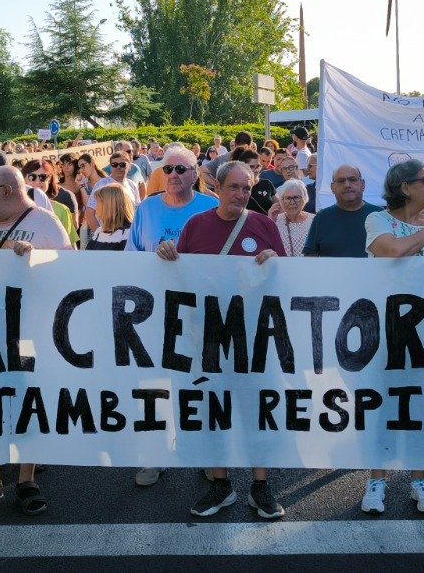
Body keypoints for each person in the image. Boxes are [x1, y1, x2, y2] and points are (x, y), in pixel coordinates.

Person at [157, 161, 286, 520]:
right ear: (218, 188)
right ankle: (221, 483)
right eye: (234, 188)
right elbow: (180, 276)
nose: (241, 195)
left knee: (255, 407)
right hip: (207, 336)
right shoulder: (196, 226)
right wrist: (166, 256)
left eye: (247, 189)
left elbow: (286, 279)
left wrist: (275, 260)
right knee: (215, 407)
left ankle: (260, 485)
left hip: (254, 335)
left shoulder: (263, 225)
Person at [0, 166, 71, 516]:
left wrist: (38, 260)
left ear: (5, 190)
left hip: (30, 329)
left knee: (27, 400)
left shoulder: (46, 222)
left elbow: (71, 273)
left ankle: (26, 477)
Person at [358, 159, 424, 514]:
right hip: (386, 330)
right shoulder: (378, 221)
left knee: (423, 405)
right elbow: (391, 252)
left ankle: (420, 480)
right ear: (404, 188)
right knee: (384, 404)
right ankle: (377, 479)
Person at [128, 147, 220, 486]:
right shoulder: (146, 209)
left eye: (182, 168)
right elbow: (132, 258)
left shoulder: (211, 206)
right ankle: (154, 455)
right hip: (155, 312)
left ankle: (208, 456)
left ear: (195, 173)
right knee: (156, 385)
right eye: (168, 169)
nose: (174, 174)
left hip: (201, 312)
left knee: (203, 384)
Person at [302, 166, 384, 258]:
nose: (347, 185)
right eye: (341, 181)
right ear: (332, 187)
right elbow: (310, 256)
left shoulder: (381, 216)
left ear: (362, 184)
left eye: (352, 179)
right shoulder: (322, 218)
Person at [271, 180, 315, 257]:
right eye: (288, 198)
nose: (292, 202)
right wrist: (270, 222)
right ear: (282, 200)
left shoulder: (315, 221)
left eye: (296, 197)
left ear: (304, 199)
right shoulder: (275, 220)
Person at [87, 183, 133, 250]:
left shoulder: (129, 233)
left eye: (99, 202)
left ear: (110, 205)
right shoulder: (99, 232)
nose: (96, 207)